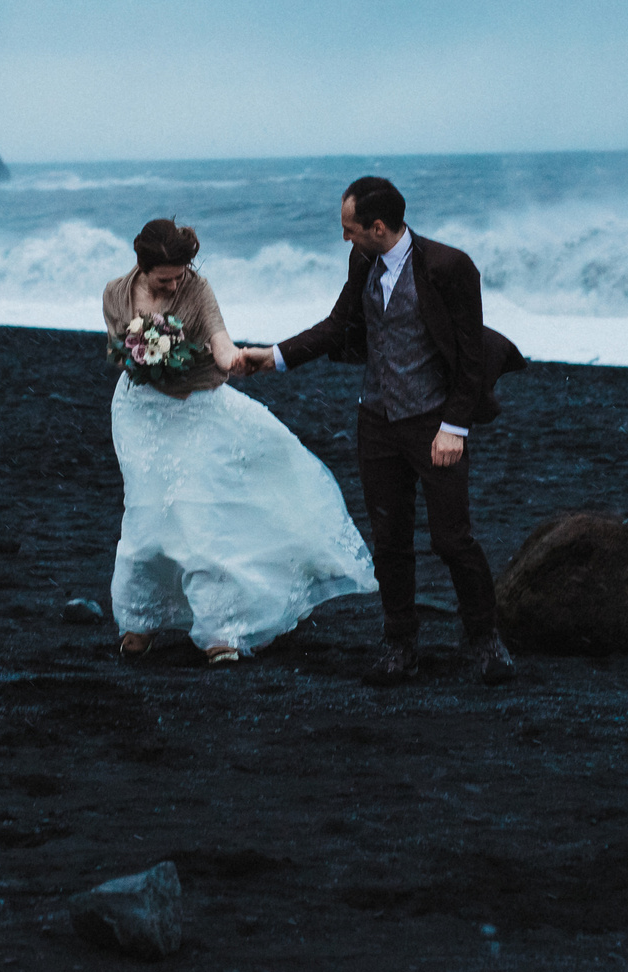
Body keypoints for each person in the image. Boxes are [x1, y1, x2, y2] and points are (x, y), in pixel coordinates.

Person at [232, 176, 527, 687]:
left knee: (452, 540)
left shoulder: (448, 268)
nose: (344, 238)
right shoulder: (363, 261)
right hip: (376, 421)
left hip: (434, 421)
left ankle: (484, 640)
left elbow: (471, 357)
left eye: (350, 230)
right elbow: (338, 323)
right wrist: (275, 356)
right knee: (389, 542)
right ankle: (400, 646)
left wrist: (454, 427)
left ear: (378, 227)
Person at [101, 218, 377, 665]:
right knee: (146, 516)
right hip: (140, 415)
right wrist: (145, 357)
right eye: (165, 279)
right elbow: (120, 350)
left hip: (199, 408)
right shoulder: (115, 293)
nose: (175, 285)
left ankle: (220, 631)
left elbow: (219, 339)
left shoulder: (198, 289)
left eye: (180, 275)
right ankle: (140, 620)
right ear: (143, 267)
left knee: (198, 515)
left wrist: (240, 358)